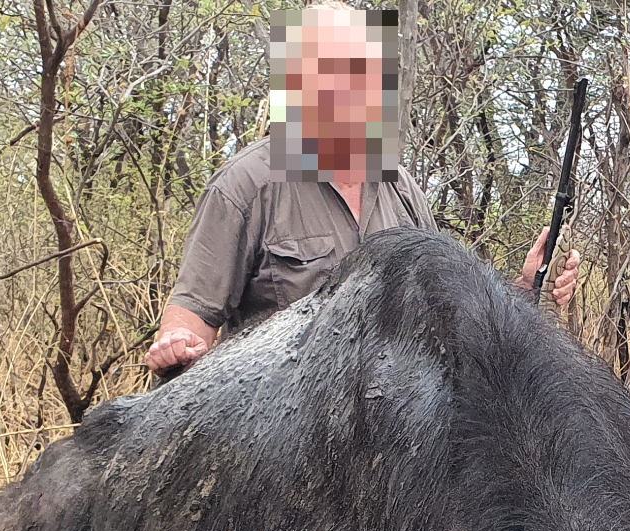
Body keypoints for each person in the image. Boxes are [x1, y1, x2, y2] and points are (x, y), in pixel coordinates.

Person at [144, 0, 581, 375]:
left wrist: (525, 288)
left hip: (396, 443)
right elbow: (189, 327)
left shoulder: (402, 189)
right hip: (281, 441)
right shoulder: (244, 186)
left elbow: (450, 320)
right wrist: (177, 348)